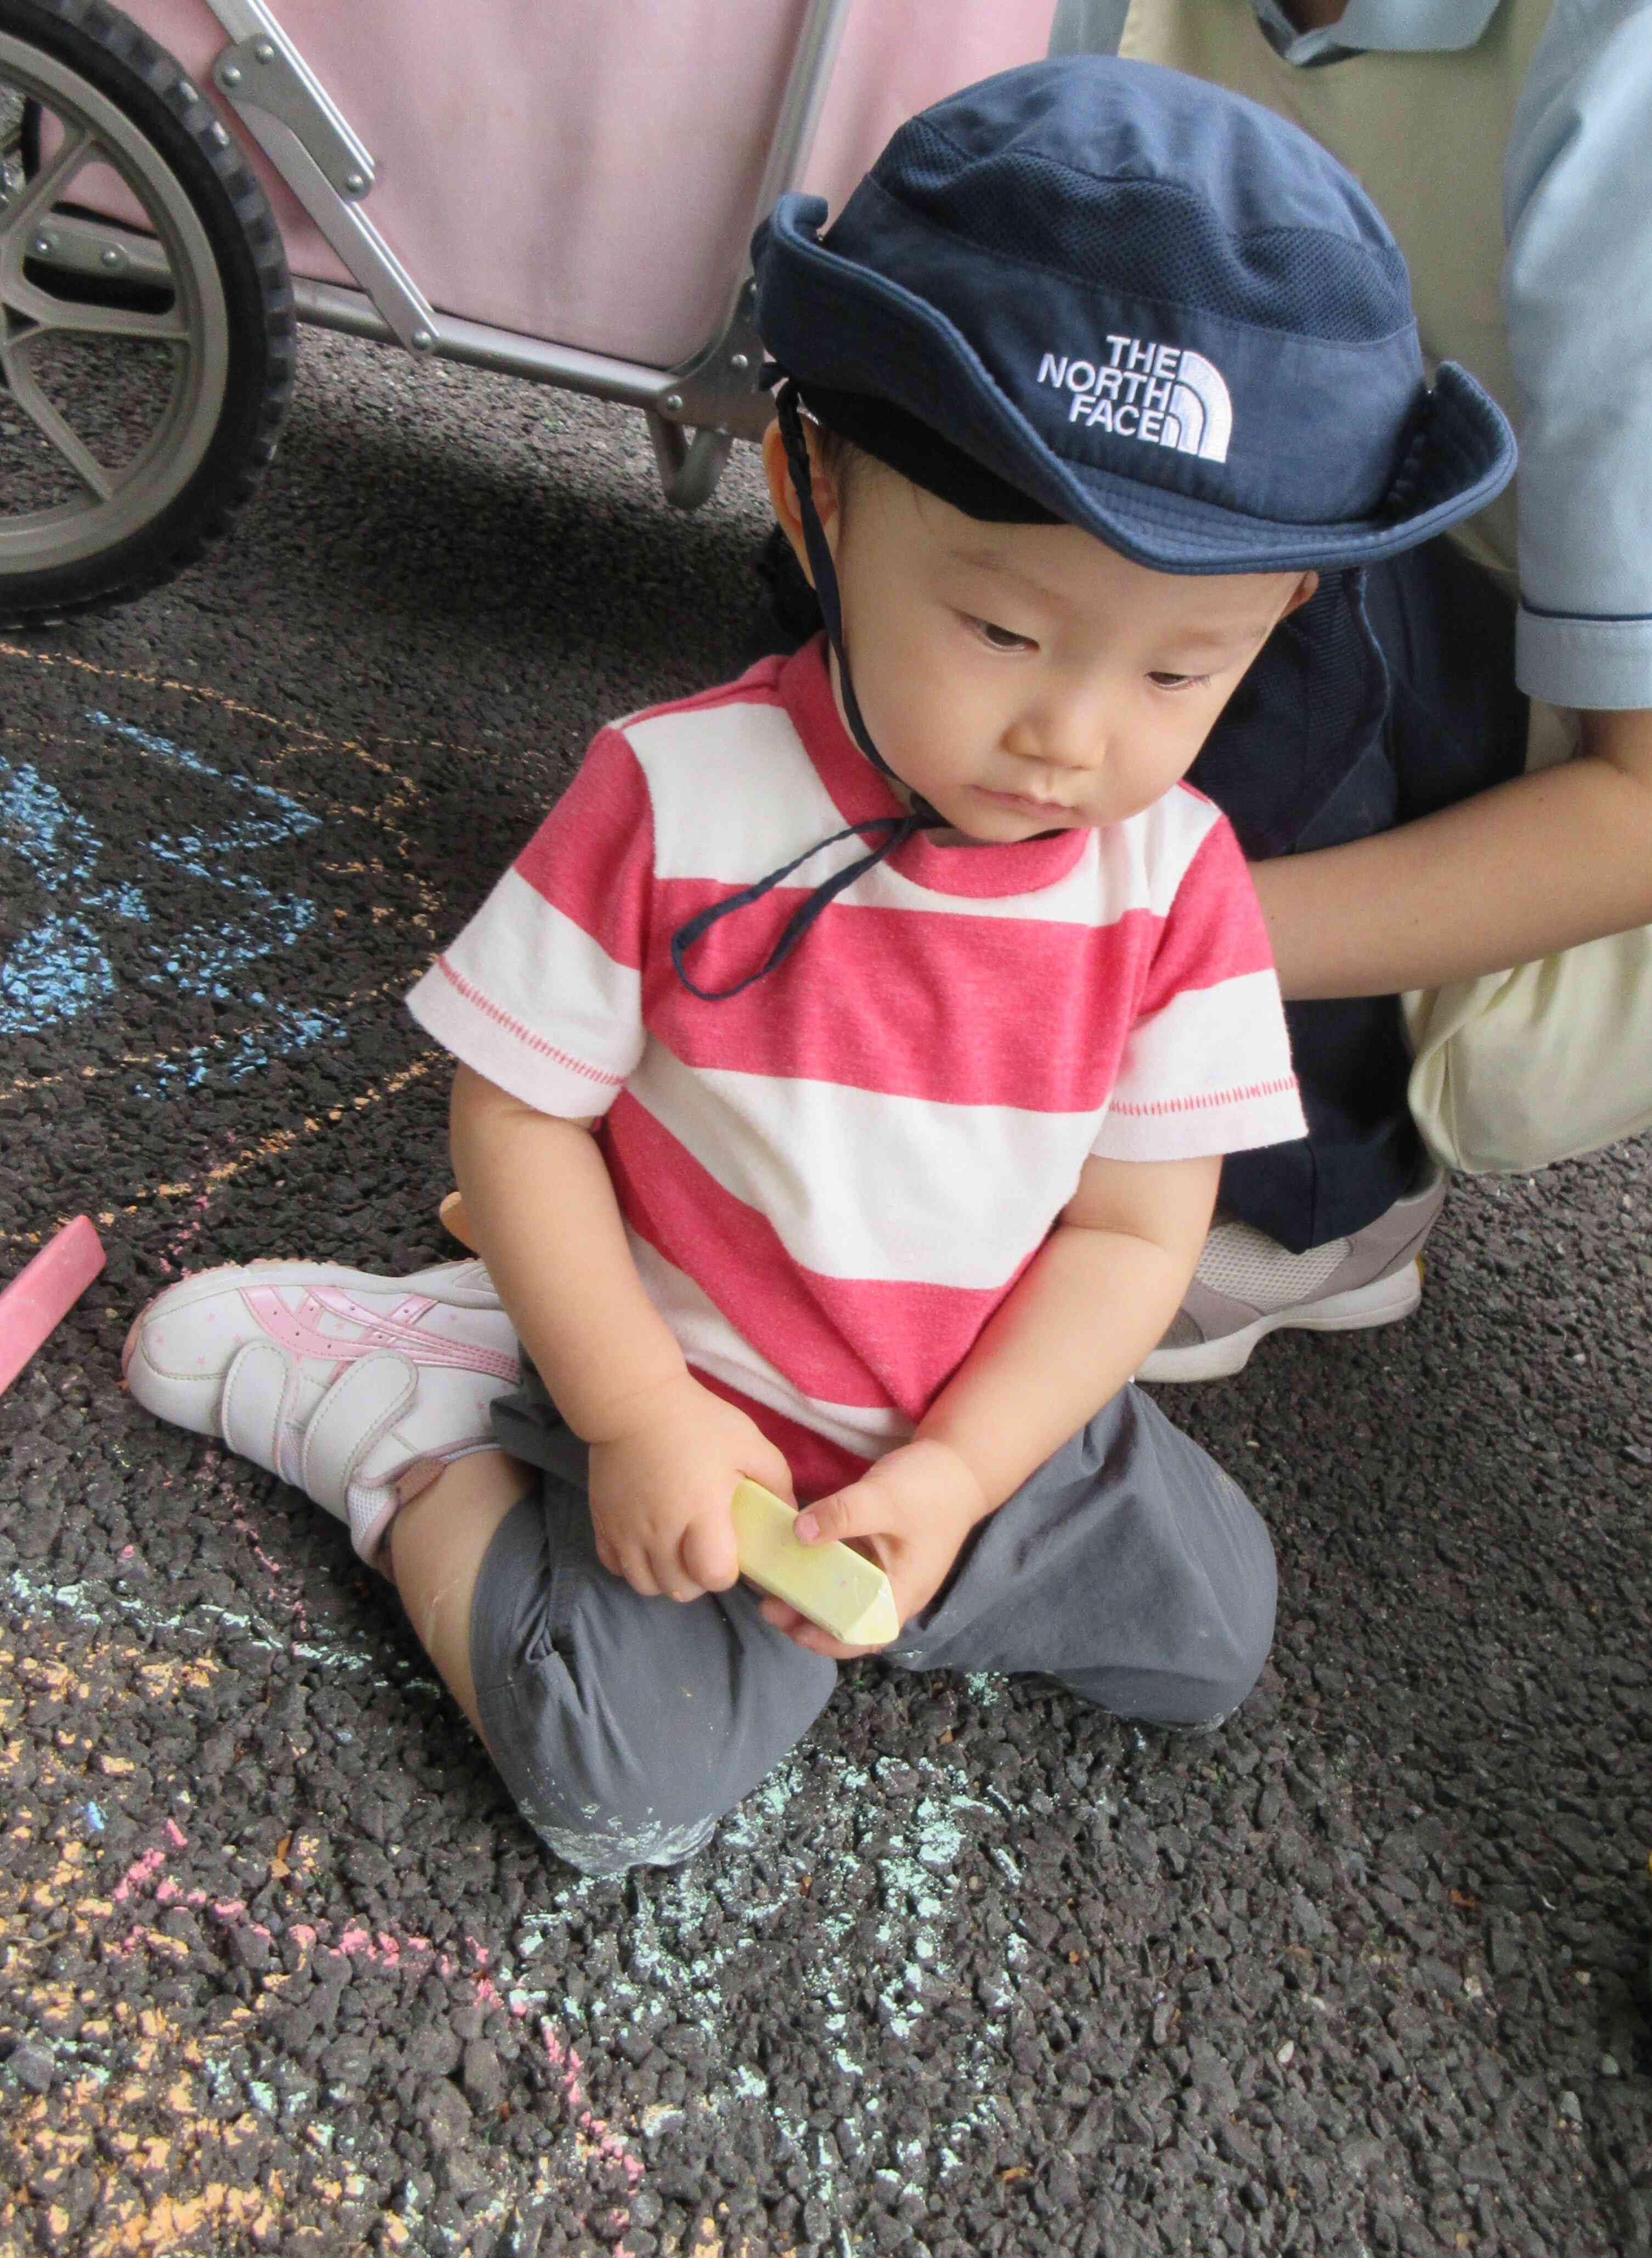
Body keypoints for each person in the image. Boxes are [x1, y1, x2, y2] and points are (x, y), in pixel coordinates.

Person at [123, 58, 1513, 1876]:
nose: (1071, 734)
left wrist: (950, 1477)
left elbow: (1126, 1236)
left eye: (1183, 672)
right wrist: (636, 1415)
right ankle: (410, 1421)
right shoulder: (678, 790)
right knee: (620, 1780)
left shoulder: (1177, 883)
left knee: (1213, 1631)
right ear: (817, 491)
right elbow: (520, 1116)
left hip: (960, 1405)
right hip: (686, 1367)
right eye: (1005, 625)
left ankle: (876, 1564)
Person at [1046, 0, 1652, 1379]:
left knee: (1241, 527)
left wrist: (1082, 938)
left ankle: (1307, 1177)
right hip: (1449, 603)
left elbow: (1643, 811)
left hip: (1585, 795)